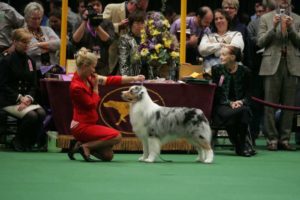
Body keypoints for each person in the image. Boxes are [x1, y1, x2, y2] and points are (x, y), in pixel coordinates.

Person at [68, 47, 145, 162]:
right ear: (84, 67)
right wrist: (95, 88)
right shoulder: (76, 87)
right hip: (81, 126)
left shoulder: (88, 77)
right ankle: (86, 146)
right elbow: (92, 104)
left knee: (108, 156)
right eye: (93, 67)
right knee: (116, 136)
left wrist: (134, 78)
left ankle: (79, 144)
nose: (94, 70)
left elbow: (110, 80)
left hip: (90, 124)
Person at [257, 0, 300, 151]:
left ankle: (285, 139)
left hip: (292, 65)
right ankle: (272, 139)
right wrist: (273, 27)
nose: (284, 1)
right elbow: (260, 42)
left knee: (289, 106)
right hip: (271, 66)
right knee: (269, 105)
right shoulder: (265, 18)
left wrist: (292, 28)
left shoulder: (298, 18)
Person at [0, 28, 46, 152]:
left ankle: (29, 141)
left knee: (41, 113)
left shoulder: (30, 61)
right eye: (23, 42)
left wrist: (28, 98)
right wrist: (20, 98)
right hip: (9, 100)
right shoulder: (6, 60)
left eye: (28, 42)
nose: (27, 45)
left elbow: (33, 85)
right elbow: (3, 85)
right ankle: (18, 140)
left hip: (26, 100)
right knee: (31, 116)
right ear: (14, 42)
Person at [211, 45, 256, 157]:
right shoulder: (216, 69)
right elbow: (216, 93)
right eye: (220, 54)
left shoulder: (245, 71)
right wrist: (230, 103)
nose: (220, 57)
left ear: (232, 57)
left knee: (243, 111)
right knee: (236, 114)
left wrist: (241, 102)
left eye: (224, 54)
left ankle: (240, 147)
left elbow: (249, 93)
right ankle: (241, 146)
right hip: (222, 106)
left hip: (240, 106)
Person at [72, 0, 115, 76]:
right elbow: (75, 40)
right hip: (84, 65)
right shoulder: (79, 22)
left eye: (98, 5)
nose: (95, 7)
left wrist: (96, 25)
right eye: (92, 5)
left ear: (102, 7)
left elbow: (109, 40)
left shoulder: (107, 23)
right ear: (87, 8)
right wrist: (85, 21)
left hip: (102, 66)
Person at [103, 0, 139, 74]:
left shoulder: (136, 13)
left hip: (126, 54)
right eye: (136, 5)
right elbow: (101, 26)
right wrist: (118, 25)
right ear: (132, 3)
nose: (136, 9)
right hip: (110, 51)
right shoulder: (111, 7)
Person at [24, 2, 60, 71]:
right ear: (27, 18)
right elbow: (29, 50)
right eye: (34, 18)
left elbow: (59, 44)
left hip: (53, 68)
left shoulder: (47, 29)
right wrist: (50, 47)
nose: (37, 21)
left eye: (39, 18)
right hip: (34, 70)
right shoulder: (23, 33)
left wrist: (39, 44)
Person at [118, 10, 146, 76]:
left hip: (147, 74)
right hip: (132, 75)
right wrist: (127, 79)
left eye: (142, 23)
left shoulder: (148, 39)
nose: (140, 26)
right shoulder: (125, 38)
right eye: (137, 23)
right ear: (131, 24)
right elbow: (123, 62)